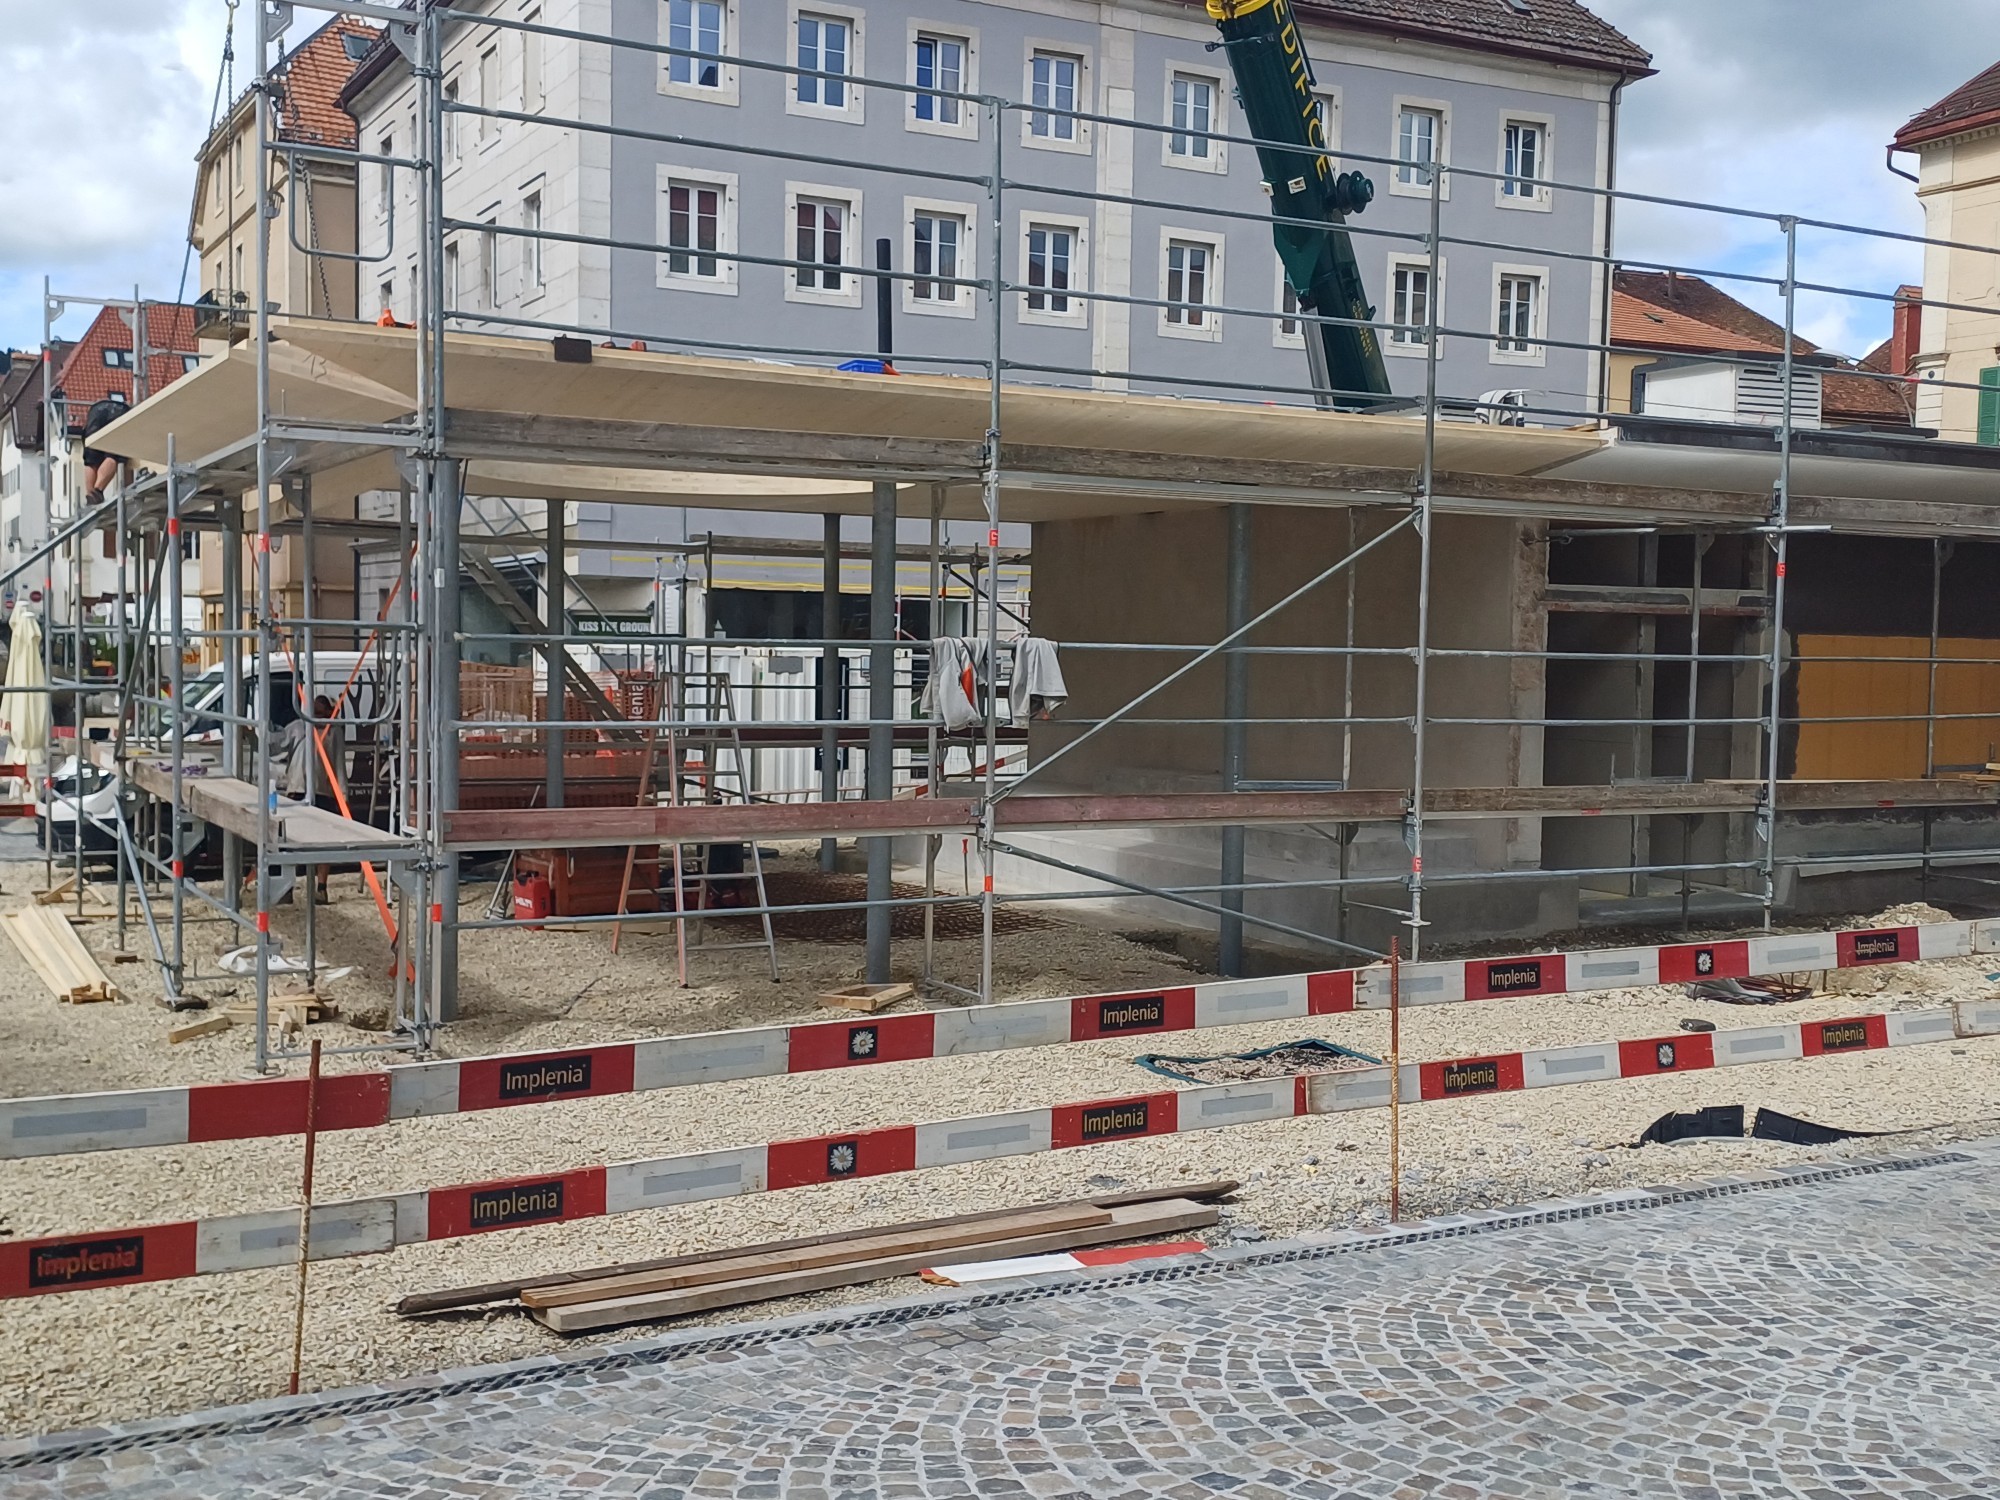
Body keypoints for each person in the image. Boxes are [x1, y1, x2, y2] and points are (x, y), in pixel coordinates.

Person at [277, 694, 344, 902]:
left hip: (322, 791)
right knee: (290, 842)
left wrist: (342, 795)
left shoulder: (334, 732)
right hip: (297, 789)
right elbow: (275, 745)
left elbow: (339, 765)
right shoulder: (298, 727)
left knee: (323, 842)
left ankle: (321, 888)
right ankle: (286, 887)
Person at [81, 393, 129, 504]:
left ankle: (90, 495)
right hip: (120, 412)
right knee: (114, 454)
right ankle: (97, 491)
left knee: (91, 459)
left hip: (96, 411)